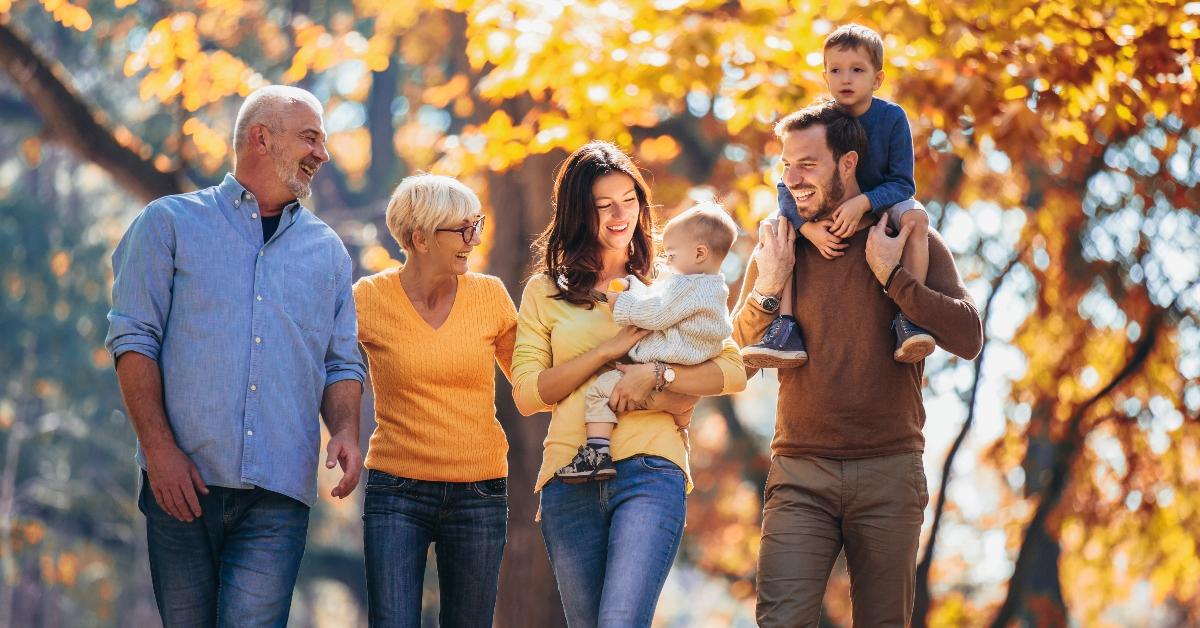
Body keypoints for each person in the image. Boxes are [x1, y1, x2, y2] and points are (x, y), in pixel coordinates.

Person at [105, 85, 365, 626]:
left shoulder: (329, 253)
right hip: (180, 485)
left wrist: (344, 428)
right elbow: (133, 339)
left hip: (277, 495)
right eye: (310, 138)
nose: (323, 153)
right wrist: (159, 451)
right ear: (262, 138)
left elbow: (341, 363)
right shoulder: (168, 224)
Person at [733, 100, 983, 627]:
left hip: (889, 469)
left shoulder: (905, 237)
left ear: (848, 163)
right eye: (785, 166)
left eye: (807, 164)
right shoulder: (780, 244)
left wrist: (895, 278)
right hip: (800, 471)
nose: (792, 179)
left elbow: (968, 336)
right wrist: (769, 285)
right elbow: (737, 355)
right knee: (780, 621)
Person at [511, 141, 747, 627]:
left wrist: (658, 375)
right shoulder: (545, 291)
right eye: (604, 206)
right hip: (568, 479)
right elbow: (529, 393)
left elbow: (732, 370)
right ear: (580, 213)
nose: (621, 215)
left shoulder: (673, 281)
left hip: (649, 471)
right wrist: (606, 350)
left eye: (629, 200)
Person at [353, 174, 516, 628]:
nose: (475, 238)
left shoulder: (491, 296)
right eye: (461, 229)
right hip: (396, 490)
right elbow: (331, 368)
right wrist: (340, 435)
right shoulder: (369, 298)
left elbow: (532, 383)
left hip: (479, 490)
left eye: (476, 224)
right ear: (419, 237)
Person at [742, 23, 936, 369]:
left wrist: (864, 202)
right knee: (777, 229)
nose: (845, 79)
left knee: (916, 218)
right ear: (825, 76)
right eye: (836, 70)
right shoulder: (822, 120)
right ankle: (784, 328)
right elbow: (787, 184)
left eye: (857, 70)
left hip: (882, 204)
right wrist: (805, 227)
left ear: (877, 79)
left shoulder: (892, 118)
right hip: (821, 210)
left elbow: (904, 184)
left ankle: (910, 317)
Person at [556, 202, 738, 482]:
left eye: (672, 254)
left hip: (667, 358)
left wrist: (621, 303)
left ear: (700, 253)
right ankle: (680, 427)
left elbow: (656, 313)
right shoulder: (713, 287)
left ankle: (596, 454)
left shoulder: (685, 285)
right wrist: (636, 286)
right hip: (690, 364)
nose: (667, 261)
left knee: (599, 392)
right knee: (679, 407)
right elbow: (660, 298)